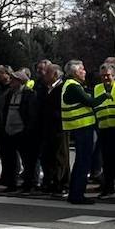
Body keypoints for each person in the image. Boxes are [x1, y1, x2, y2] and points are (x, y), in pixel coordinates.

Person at [60, 60, 109, 205]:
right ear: (75, 72)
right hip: (83, 127)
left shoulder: (71, 85)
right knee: (83, 162)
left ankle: (75, 193)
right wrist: (105, 95)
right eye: (82, 69)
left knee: (82, 162)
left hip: (81, 127)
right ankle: (77, 194)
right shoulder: (73, 86)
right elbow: (90, 102)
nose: (85, 72)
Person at [93, 62, 115, 199]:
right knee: (107, 161)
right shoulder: (97, 88)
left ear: (114, 75)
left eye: (108, 76)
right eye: (103, 76)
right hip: (104, 128)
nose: (105, 78)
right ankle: (108, 188)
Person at [5, 68, 39, 193]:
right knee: (11, 160)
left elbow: (32, 114)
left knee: (28, 160)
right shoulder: (10, 94)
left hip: (22, 131)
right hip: (10, 131)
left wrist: (28, 130)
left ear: (20, 81)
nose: (11, 82)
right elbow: (6, 111)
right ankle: (11, 184)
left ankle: (29, 184)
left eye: (13, 80)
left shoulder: (29, 94)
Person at [39, 65, 69, 195]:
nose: (44, 74)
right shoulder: (47, 89)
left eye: (48, 72)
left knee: (60, 156)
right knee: (49, 156)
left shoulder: (62, 88)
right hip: (48, 128)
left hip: (59, 128)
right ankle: (51, 181)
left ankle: (61, 183)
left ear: (56, 74)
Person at [0, 65, 19, 187]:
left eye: (1, 73)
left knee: (11, 154)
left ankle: (13, 177)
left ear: (8, 74)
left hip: (7, 125)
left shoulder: (11, 90)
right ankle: (4, 176)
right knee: (2, 153)